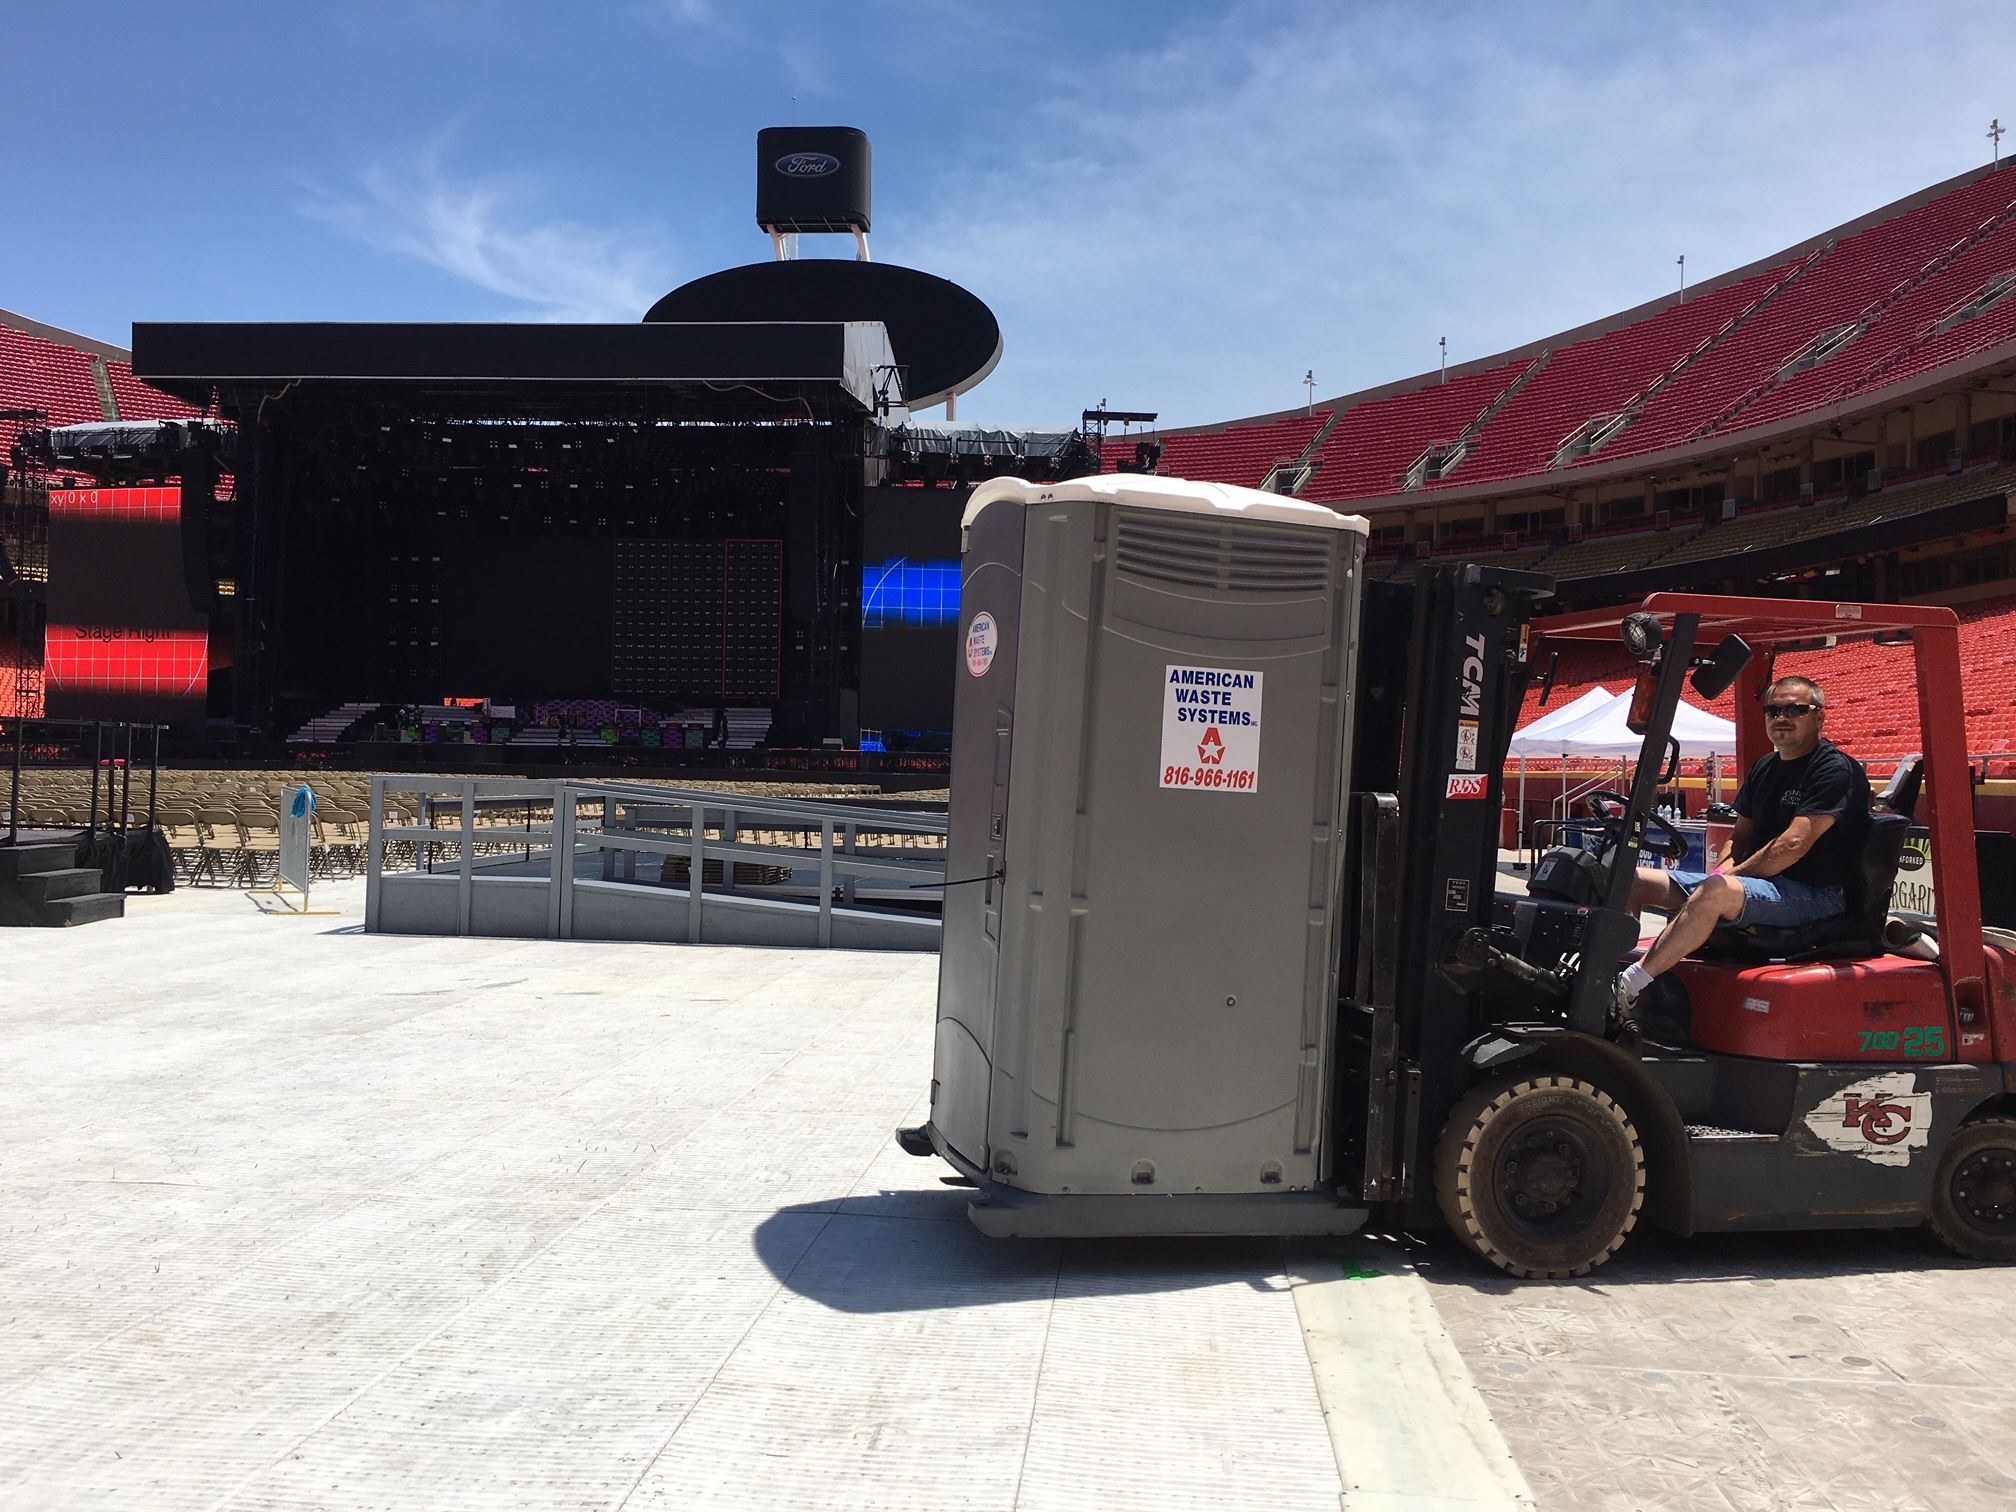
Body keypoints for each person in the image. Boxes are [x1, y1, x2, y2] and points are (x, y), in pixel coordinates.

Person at [1615, 674, 1870, 1016]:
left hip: (1816, 894)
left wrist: (1724, 881)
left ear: (1819, 716)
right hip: (1764, 885)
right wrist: (1722, 871)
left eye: (1795, 709)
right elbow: (1740, 835)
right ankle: (1610, 969)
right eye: (1774, 710)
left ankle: (1628, 986)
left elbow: (1792, 845)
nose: (1782, 717)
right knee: (1632, 881)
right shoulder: (1766, 767)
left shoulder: (1834, 770)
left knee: (1715, 892)